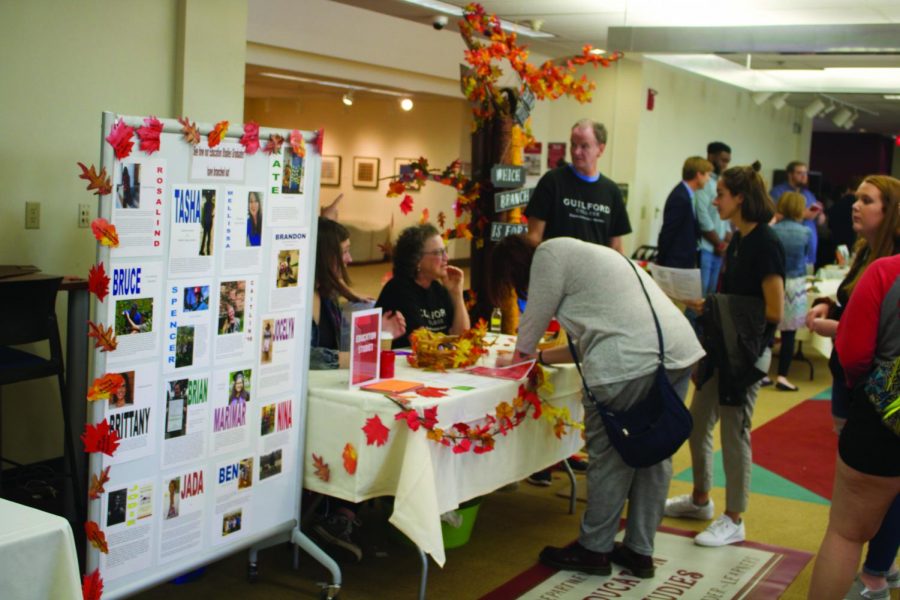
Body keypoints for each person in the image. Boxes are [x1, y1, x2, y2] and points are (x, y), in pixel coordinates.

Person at [489, 234, 704, 578]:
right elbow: (586, 341)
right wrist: (540, 357)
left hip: (627, 360)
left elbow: (529, 332)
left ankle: (594, 549)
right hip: (677, 351)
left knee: (609, 458)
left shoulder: (547, 255)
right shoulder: (586, 255)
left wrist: (513, 361)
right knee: (655, 453)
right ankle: (639, 550)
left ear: (515, 270)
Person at [665, 163, 785, 547]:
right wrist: (711, 307)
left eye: (721, 195)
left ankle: (734, 517)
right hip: (722, 348)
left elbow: (774, 310)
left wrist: (716, 305)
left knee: (735, 434)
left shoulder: (766, 243)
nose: (714, 200)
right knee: (698, 422)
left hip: (747, 356)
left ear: (740, 199)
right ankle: (701, 499)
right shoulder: (738, 240)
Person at [805, 175, 900, 595]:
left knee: (845, 533)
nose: (856, 206)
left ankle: (875, 574)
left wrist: (868, 388)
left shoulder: (886, 271)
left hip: (880, 416)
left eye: (868, 200)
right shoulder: (871, 261)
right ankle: (878, 573)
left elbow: (858, 352)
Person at [309, 217, 405, 562]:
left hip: (329, 399)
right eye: (345, 252)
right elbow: (300, 356)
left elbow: (346, 348)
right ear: (326, 256)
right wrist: (351, 358)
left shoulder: (330, 298)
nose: (350, 260)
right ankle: (336, 514)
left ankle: (344, 513)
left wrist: (381, 332)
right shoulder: (297, 296)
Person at [524, 119, 631, 252]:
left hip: (596, 271)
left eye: (584, 146)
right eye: (573, 145)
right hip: (556, 269)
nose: (576, 152)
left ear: (600, 149)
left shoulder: (612, 191)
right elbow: (533, 238)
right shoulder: (552, 181)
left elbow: (617, 248)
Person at [376, 224, 469, 349]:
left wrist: (456, 294)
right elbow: (423, 343)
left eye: (445, 250)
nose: (446, 258)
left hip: (434, 362)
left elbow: (462, 338)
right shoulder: (399, 289)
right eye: (438, 253)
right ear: (416, 260)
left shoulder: (437, 288)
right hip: (405, 365)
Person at [770, 191, 812, 392]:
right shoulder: (805, 232)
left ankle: (761, 373)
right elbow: (808, 256)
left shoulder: (772, 230)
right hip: (795, 283)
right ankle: (783, 376)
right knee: (789, 333)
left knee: (768, 328)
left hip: (773, 280)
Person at [656, 156, 713, 268]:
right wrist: (661, 261)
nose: (708, 179)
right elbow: (668, 232)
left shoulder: (688, 195)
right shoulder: (680, 197)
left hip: (684, 260)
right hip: (676, 262)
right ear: (698, 175)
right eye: (707, 175)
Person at [695, 142, 733, 297]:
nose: (725, 165)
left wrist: (728, 240)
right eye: (723, 160)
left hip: (719, 249)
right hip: (706, 247)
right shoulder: (704, 182)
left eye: (728, 161)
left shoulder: (721, 182)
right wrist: (719, 243)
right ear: (711, 156)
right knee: (700, 297)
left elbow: (724, 217)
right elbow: (702, 215)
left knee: (711, 299)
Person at [770, 161, 824, 268]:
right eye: (800, 173)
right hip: (788, 251)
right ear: (790, 174)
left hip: (809, 251)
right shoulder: (778, 192)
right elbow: (772, 216)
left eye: (805, 173)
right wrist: (802, 214)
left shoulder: (808, 194)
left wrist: (819, 213)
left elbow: (820, 221)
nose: (804, 176)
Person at [200, 190, 214, 256]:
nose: (209, 197)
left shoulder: (207, 204)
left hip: (207, 222)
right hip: (208, 222)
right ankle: (206, 250)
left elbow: (204, 214)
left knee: (206, 237)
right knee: (207, 236)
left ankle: (203, 250)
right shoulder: (211, 204)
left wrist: (202, 222)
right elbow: (205, 214)